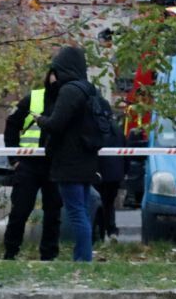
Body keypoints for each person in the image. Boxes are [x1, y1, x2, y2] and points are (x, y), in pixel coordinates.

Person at [35, 46, 101, 262]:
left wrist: (40, 120)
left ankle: (83, 259)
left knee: (76, 213)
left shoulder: (69, 91)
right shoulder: (89, 89)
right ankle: (83, 256)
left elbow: (56, 124)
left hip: (69, 162)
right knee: (82, 211)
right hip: (86, 159)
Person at [2, 79, 61, 261]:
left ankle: (49, 255)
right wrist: (14, 159)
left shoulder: (68, 99)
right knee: (20, 210)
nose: (55, 80)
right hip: (28, 164)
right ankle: (10, 252)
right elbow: (11, 125)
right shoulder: (34, 98)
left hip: (55, 164)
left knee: (53, 212)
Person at [94, 96, 126, 241]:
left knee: (96, 203)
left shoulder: (94, 127)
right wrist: (124, 172)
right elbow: (126, 152)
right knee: (109, 203)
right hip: (114, 174)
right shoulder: (117, 128)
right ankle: (111, 230)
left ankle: (99, 233)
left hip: (98, 172)